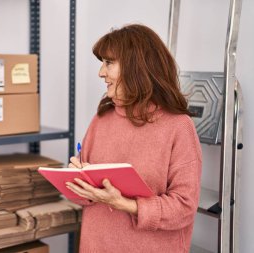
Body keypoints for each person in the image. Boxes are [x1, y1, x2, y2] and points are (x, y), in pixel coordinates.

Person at [66, 24, 202, 253]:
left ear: (136, 67)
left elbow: (184, 208)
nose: (101, 72)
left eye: (109, 63)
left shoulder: (178, 127)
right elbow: (83, 198)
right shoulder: (102, 119)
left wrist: (124, 204)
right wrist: (79, 179)